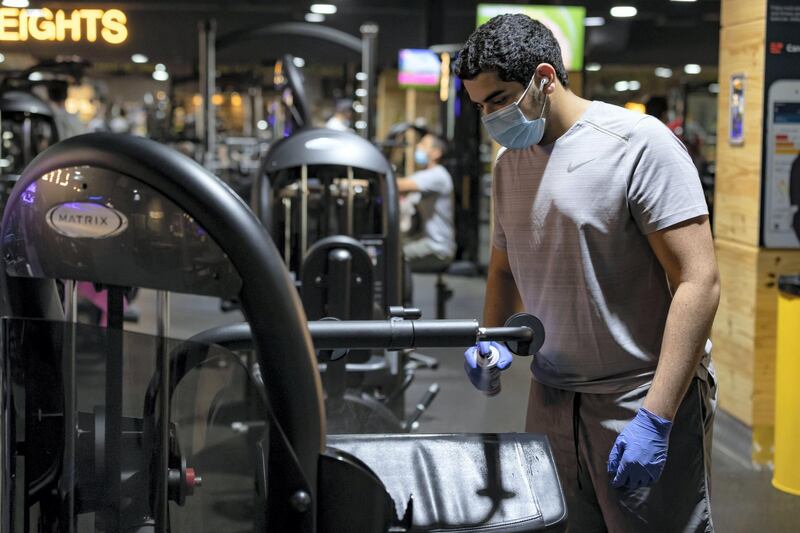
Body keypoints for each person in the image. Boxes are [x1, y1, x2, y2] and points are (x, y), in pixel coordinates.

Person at [455, 14, 719, 532]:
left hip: (636, 398)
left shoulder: (638, 144)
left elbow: (699, 281)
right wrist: (492, 339)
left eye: (500, 99)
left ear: (545, 78)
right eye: (480, 106)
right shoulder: (510, 164)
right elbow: (505, 265)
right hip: (551, 396)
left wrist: (658, 415)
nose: (490, 116)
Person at [397, 133, 456, 271]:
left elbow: (400, 185)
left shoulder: (437, 175)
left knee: (393, 256)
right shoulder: (425, 174)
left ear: (436, 153)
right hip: (426, 241)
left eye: (423, 145)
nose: (418, 147)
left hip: (437, 246)